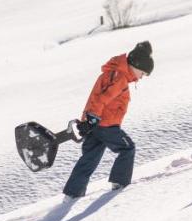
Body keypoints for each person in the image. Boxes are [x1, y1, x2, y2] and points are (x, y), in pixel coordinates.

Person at [63, 41, 154, 198]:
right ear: (136, 65)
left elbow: (98, 98)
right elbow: (102, 99)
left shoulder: (115, 73)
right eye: (143, 73)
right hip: (105, 125)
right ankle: (119, 184)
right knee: (127, 148)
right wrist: (92, 119)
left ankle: (73, 194)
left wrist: (89, 120)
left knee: (89, 158)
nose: (142, 77)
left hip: (96, 123)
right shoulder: (119, 78)